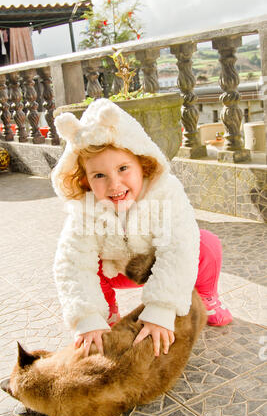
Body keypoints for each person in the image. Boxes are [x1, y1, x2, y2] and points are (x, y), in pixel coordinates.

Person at [52, 99, 232, 358]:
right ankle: (107, 309)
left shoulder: (165, 193)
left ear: (143, 164)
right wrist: (87, 316)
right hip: (118, 270)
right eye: (99, 176)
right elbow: (71, 262)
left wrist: (162, 309)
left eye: (123, 168)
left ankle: (206, 295)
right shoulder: (85, 209)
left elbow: (178, 248)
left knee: (205, 244)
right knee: (85, 260)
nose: (114, 184)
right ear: (86, 181)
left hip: (155, 262)